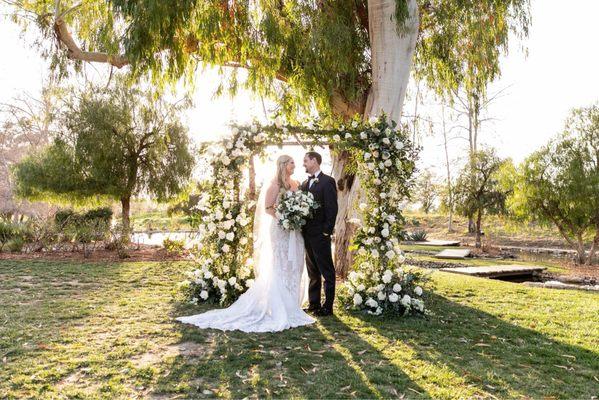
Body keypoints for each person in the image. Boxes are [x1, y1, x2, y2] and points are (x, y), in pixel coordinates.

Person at [176, 155, 315, 333]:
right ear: (283, 165)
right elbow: (268, 208)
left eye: (294, 163)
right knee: (280, 264)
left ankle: (293, 304)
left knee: (293, 263)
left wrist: (296, 217)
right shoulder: (274, 185)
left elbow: (300, 204)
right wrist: (285, 218)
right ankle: (280, 306)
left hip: (294, 231)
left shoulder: (296, 184)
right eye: (292, 163)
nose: (295, 165)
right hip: (280, 229)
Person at [301, 151, 338, 317]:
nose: (304, 164)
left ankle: (328, 307)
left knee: (327, 271)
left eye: (306, 161)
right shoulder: (304, 184)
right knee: (312, 271)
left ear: (314, 161)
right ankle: (314, 304)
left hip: (320, 235)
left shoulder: (327, 181)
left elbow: (332, 208)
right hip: (307, 234)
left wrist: (326, 231)